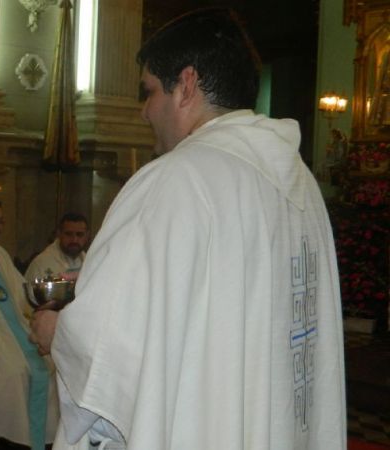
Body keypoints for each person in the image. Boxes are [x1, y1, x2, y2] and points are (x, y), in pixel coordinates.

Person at [30, 8, 346, 450]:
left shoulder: (176, 178)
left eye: (149, 92)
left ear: (187, 84)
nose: (144, 112)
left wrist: (56, 333)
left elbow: (108, 347)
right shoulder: (298, 179)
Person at [0, 195, 58, 450]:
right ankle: (1, 435)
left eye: (1, 221)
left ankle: (35, 440)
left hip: (13, 329)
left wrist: (43, 298)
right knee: (12, 372)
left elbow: (21, 294)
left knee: (48, 366)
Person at [24, 213, 88, 282]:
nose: (74, 240)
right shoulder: (40, 264)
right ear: (59, 233)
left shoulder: (90, 262)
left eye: (80, 234)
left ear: (87, 235)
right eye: (68, 234)